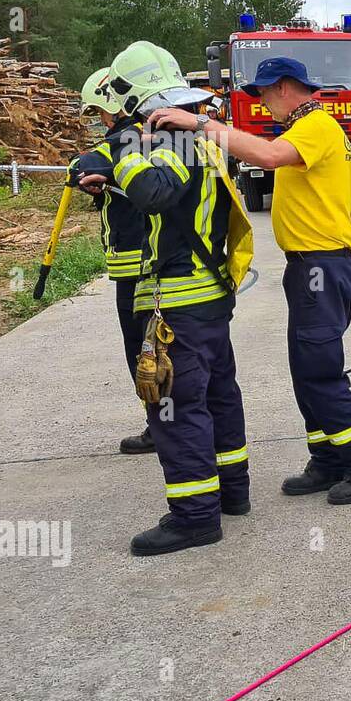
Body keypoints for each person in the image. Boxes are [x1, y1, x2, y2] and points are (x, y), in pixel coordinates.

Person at [149, 56, 351, 506]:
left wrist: (200, 123)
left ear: (283, 86)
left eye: (263, 94)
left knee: (319, 372)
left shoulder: (316, 126)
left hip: (320, 268)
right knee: (306, 371)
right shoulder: (306, 127)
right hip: (310, 268)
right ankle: (328, 458)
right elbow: (265, 148)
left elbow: (266, 156)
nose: (262, 103)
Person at [76, 41, 251, 556]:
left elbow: (155, 193)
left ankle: (195, 516)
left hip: (180, 297)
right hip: (208, 293)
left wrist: (122, 155)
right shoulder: (198, 131)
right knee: (219, 394)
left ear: (132, 97)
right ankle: (232, 492)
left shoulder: (172, 137)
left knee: (174, 404)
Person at [75, 66, 152, 454]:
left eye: (100, 112)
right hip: (145, 258)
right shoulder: (154, 134)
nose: (100, 121)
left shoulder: (126, 137)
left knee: (142, 348)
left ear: (115, 105)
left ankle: (160, 423)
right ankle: (169, 419)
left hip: (135, 261)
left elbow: (86, 164)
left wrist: (85, 171)